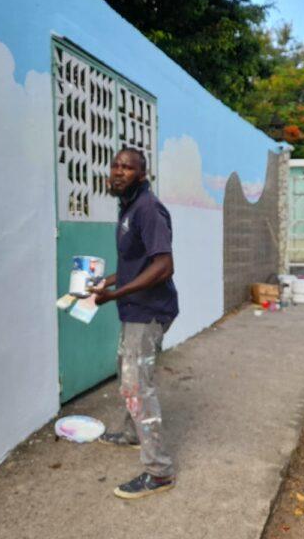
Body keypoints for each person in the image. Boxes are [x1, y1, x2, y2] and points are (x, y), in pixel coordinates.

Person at [92, 147, 178, 500]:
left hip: (149, 310)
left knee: (137, 386)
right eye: (115, 165)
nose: (118, 171)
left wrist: (116, 294)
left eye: (127, 167)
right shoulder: (128, 206)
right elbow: (135, 263)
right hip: (133, 307)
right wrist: (110, 282)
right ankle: (130, 433)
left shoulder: (148, 209)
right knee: (127, 374)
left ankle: (158, 472)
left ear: (141, 175)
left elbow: (163, 265)